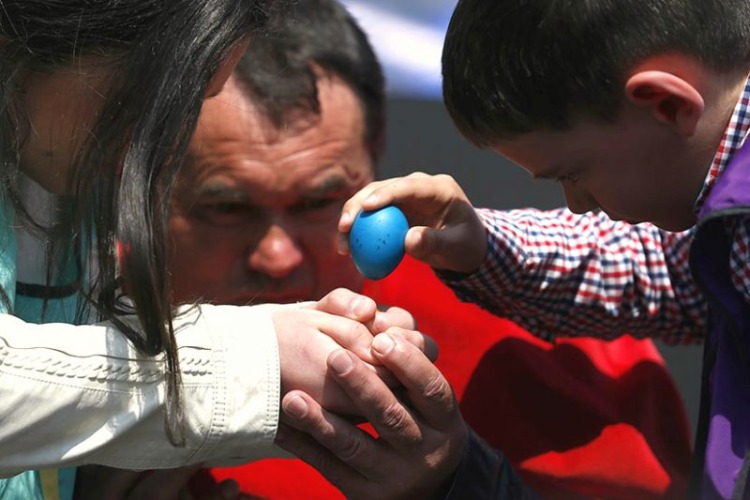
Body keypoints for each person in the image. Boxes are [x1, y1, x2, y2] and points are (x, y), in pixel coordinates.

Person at [141, 0, 689, 496]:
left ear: (375, 159)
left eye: (319, 202)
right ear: (142, 184)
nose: (278, 256)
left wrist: (456, 486)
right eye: (227, 209)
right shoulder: (85, 349)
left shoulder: (551, 351)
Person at [322, 0, 750, 497]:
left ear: (667, 104)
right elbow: (661, 269)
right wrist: (483, 247)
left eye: (573, 173)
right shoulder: (728, 230)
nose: (578, 203)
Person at [0, 2, 418, 500]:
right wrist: (257, 364)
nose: (168, 137)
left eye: (318, 203)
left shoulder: (72, 199)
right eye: (226, 208)